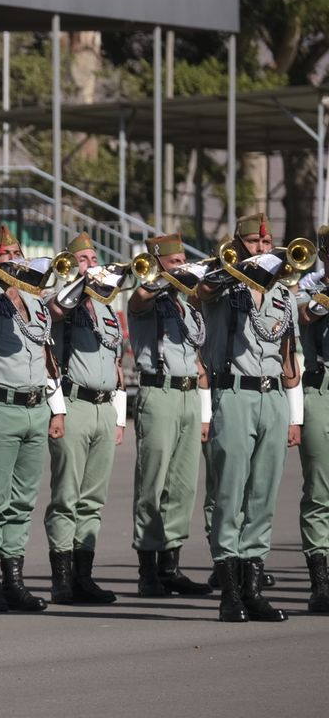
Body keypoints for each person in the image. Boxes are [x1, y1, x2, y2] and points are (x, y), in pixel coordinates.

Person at [196, 212, 299, 622]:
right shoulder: (224, 286)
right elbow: (200, 291)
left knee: (263, 494)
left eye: (266, 242)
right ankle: (229, 590)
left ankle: (253, 587)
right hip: (235, 393)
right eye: (253, 243)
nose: (261, 248)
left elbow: (290, 358)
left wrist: (294, 415)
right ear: (238, 245)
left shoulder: (283, 295)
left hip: (273, 397)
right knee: (230, 492)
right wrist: (231, 270)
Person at [0, 226, 61, 613]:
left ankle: (14, 579)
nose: (12, 259)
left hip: (36, 407)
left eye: (15, 252)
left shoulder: (36, 299)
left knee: (22, 502)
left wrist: (56, 408)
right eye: (3, 254)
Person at [126, 233, 213, 597]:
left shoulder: (187, 303)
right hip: (158, 391)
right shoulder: (148, 294)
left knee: (182, 485)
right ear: (159, 263)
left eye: (182, 262)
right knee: (153, 481)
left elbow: (197, 358)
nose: (181, 268)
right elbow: (139, 300)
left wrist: (205, 410)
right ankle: (148, 569)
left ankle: (171, 565)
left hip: (189, 394)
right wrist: (168, 278)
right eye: (174, 262)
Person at [44, 233, 127, 605]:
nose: (91, 263)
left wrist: (120, 417)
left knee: (93, 498)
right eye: (82, 259)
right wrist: (77, 281)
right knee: (67, 495)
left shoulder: (108, 308)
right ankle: (61, 580)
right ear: (68, 265)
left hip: (104, 407)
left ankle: (83, 576)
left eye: (94, 258)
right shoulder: (65, 301)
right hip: (74, 404)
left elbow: (117, 365)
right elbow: (55, 310)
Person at [295, 232, 329, 613]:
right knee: (320, 492)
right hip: (322, 390)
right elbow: (306, 313)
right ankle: (320, 584)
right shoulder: (307, 286)